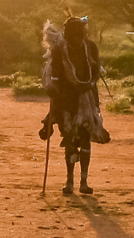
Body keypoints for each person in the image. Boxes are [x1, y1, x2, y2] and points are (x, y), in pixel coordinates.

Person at [39, 14, 109, 194]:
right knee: (69, 137)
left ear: (84, 33)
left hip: (86, 96)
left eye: (80, 34)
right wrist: (54, 88)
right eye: (74, 35)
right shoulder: (59, 49)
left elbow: (95, 71)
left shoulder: (91, 47)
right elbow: (54, 73)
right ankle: (69, 182)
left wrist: (89, 85)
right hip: (65, 96)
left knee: (85, 136)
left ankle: (83, 182)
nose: (78, 38)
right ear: (68, 35)